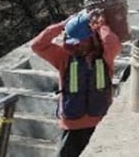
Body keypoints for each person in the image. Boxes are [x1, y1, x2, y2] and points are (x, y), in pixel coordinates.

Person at [30, 10, 122, 157]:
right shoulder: (64, 58)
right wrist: (62, 25)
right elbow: (38, 45)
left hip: (100, 122)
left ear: (92, 38)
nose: (77, 45)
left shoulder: (104, 56)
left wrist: (101, 26)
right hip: (72, 126)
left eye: (82, 41)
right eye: (74, 42)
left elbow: (113, 44)